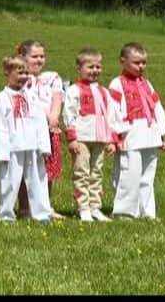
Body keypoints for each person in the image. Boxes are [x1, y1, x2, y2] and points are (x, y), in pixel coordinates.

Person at [108, 43, 165, 220]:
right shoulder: (117, 84)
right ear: (123, 61)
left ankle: (147, 211)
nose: (141, 66)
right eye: (136, 62)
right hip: (130, 134)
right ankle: (125, 212)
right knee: (129, 174)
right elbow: (113, 111)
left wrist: (161, 135)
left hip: (150, 133)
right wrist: (115, 136)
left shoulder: (147, 83)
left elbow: (157, 108)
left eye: (143, 62)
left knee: (147, 175)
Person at [0, 55, 52, 224]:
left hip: (32, 146)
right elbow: (0, 127)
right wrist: (2, 152)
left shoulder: (32, 96)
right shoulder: (1, 99)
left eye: (26, 73)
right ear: (7, 72)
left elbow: (40, 122)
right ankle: (6, 214)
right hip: (12, 147)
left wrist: (44, 146)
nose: (23, 76)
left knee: (38, 180)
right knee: (9, 181)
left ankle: (41, 213)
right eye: (19, 72)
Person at [62, 48, 118, 223]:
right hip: (82, 138)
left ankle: (95, 207)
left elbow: (110, 115)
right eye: (90, 67)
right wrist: (72, 138)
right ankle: (83, 207)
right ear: (79, 68)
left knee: (97, 172)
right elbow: (68, 114)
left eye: (98, 67)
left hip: (100, 138)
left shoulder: (104, 92)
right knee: (82, 172)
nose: (95, 71)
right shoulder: (74, 90)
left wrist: (111, 139)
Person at [17, 39, 64, 219]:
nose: (39, 60)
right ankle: (25, 207)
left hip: (48, 128)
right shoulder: (21, 79)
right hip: (28, 129)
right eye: (34, 56)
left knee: (47, 169)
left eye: (42, 56)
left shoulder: (51, 77)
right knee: (25, 168)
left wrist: (54, 117)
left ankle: (46, 205)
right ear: (23, 57)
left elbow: (57, 97)